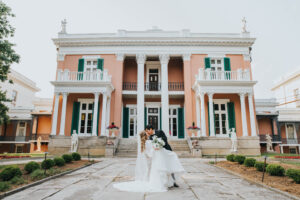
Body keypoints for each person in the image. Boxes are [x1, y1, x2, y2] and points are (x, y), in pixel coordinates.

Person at [113, 130, 184, 193]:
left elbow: (149, 153)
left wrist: (156, 148)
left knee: (157, 171)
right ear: (145, 135)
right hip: (156, 158)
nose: (148, 134)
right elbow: (150, 153)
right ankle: (159, 184)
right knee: (158, 171)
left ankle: (161, 183)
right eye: (147, 133)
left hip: (155, 159)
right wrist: (155, 148)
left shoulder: (145, 143)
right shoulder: (148, 142)